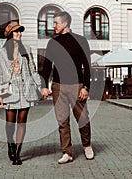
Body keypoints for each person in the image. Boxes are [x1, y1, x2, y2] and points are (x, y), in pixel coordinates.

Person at [41, 11, 94, 164]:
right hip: (58, 87)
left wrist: (86, 87)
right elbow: (46, 67)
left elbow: (87, 66)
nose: (54, 26)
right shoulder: (52, 42)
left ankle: (87, 145)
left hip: (77, 86)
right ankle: (67, 152)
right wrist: (44, 86)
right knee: (62, 121)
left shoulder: (81, 41)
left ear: (65, 23)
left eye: (56, 23)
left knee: (83, 118)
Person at [0, 22, 41, 165]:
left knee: (22, 123)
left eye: (20, 32)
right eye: (16, 32)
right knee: (10, 123)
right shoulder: (0, 54)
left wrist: (40, 87)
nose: (19, 34)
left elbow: (33, 71)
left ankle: (18, 153)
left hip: (26, 91)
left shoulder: (26, 50)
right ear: (10, 34)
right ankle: (11, 144)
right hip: (10, 92)